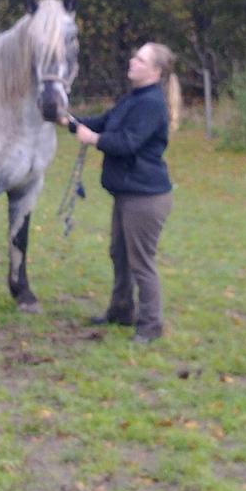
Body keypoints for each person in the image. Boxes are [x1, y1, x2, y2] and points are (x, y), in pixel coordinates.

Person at [63, 42, 182, 344]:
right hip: (128, 193)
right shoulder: (134, 99)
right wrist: (68, 120)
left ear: (155, 71)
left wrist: (94, 139)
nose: (132, 61)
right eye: (134, 56)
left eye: (140, 59)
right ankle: (120, 311)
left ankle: (151, 325)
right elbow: (103, 123)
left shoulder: (151, 104)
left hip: (146, 197)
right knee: (119, 254)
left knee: (141, 262)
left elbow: (127, 142)